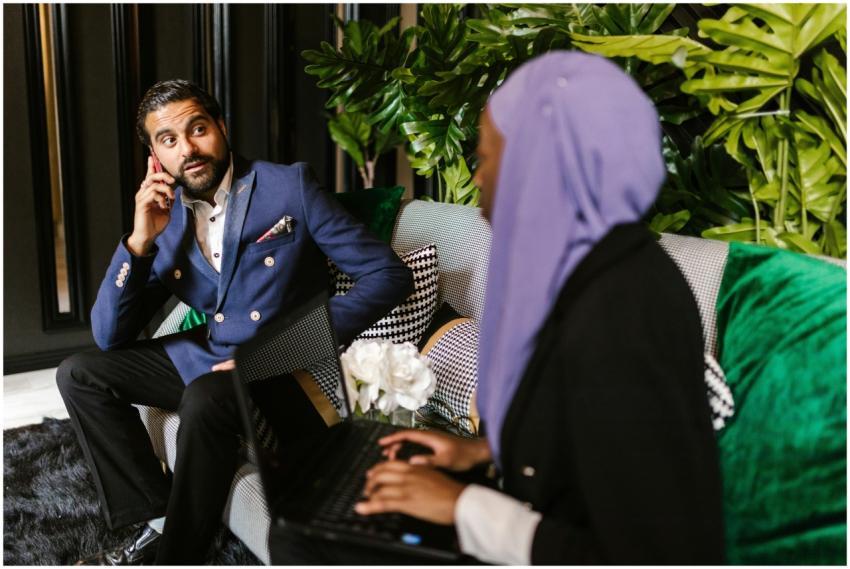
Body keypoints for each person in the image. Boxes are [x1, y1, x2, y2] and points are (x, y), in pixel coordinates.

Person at [280, 51, 726, 564]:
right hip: (524, 510)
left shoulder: (620, 311)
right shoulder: (585, 268)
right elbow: (583, 436)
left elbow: (648, 552)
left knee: (305, 536)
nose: (478, 178)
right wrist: (481, 455)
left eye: (487, 158)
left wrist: (463, 505)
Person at [56, 79, 414, 565]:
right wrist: (140, 241)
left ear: (221, 128)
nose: (188, 149)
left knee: (204, 396)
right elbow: (109, 334)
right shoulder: (167, 218)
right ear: (155, 157)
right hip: (211, 353)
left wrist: (276, 351)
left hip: (284, 368)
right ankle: (157, 519)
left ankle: (177, 557)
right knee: (79, 373)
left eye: (197, 129)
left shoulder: (288, 187)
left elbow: (386, 274)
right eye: (169, 140)